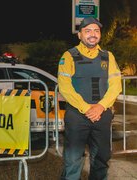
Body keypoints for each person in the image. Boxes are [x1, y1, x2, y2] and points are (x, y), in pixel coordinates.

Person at [58, 17, 122, 180]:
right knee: (73, 159)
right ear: (79, 35)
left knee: (102, 158)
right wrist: (87, 108)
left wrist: (100, 107)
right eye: (87, 31)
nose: (92, 34)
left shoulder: (108, 57)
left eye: (96, 31)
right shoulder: (69, 56)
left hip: (102, 114)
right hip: (77, 116)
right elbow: (65, 87)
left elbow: (115, 85)